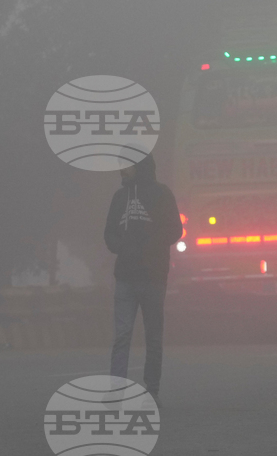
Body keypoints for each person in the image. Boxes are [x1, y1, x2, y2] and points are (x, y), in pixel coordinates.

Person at [103, 154, 183, 407]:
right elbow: (109, 234)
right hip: (125, 277)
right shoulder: (119, 197)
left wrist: (150, 247)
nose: (120, 169)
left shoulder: (162, 194)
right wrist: (123, 248)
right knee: (123, 335)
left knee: (153, 336)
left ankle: (152, 391)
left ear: (139, 165)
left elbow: (175, 230)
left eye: (124, 164)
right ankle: (116, 390)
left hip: (153, 276)